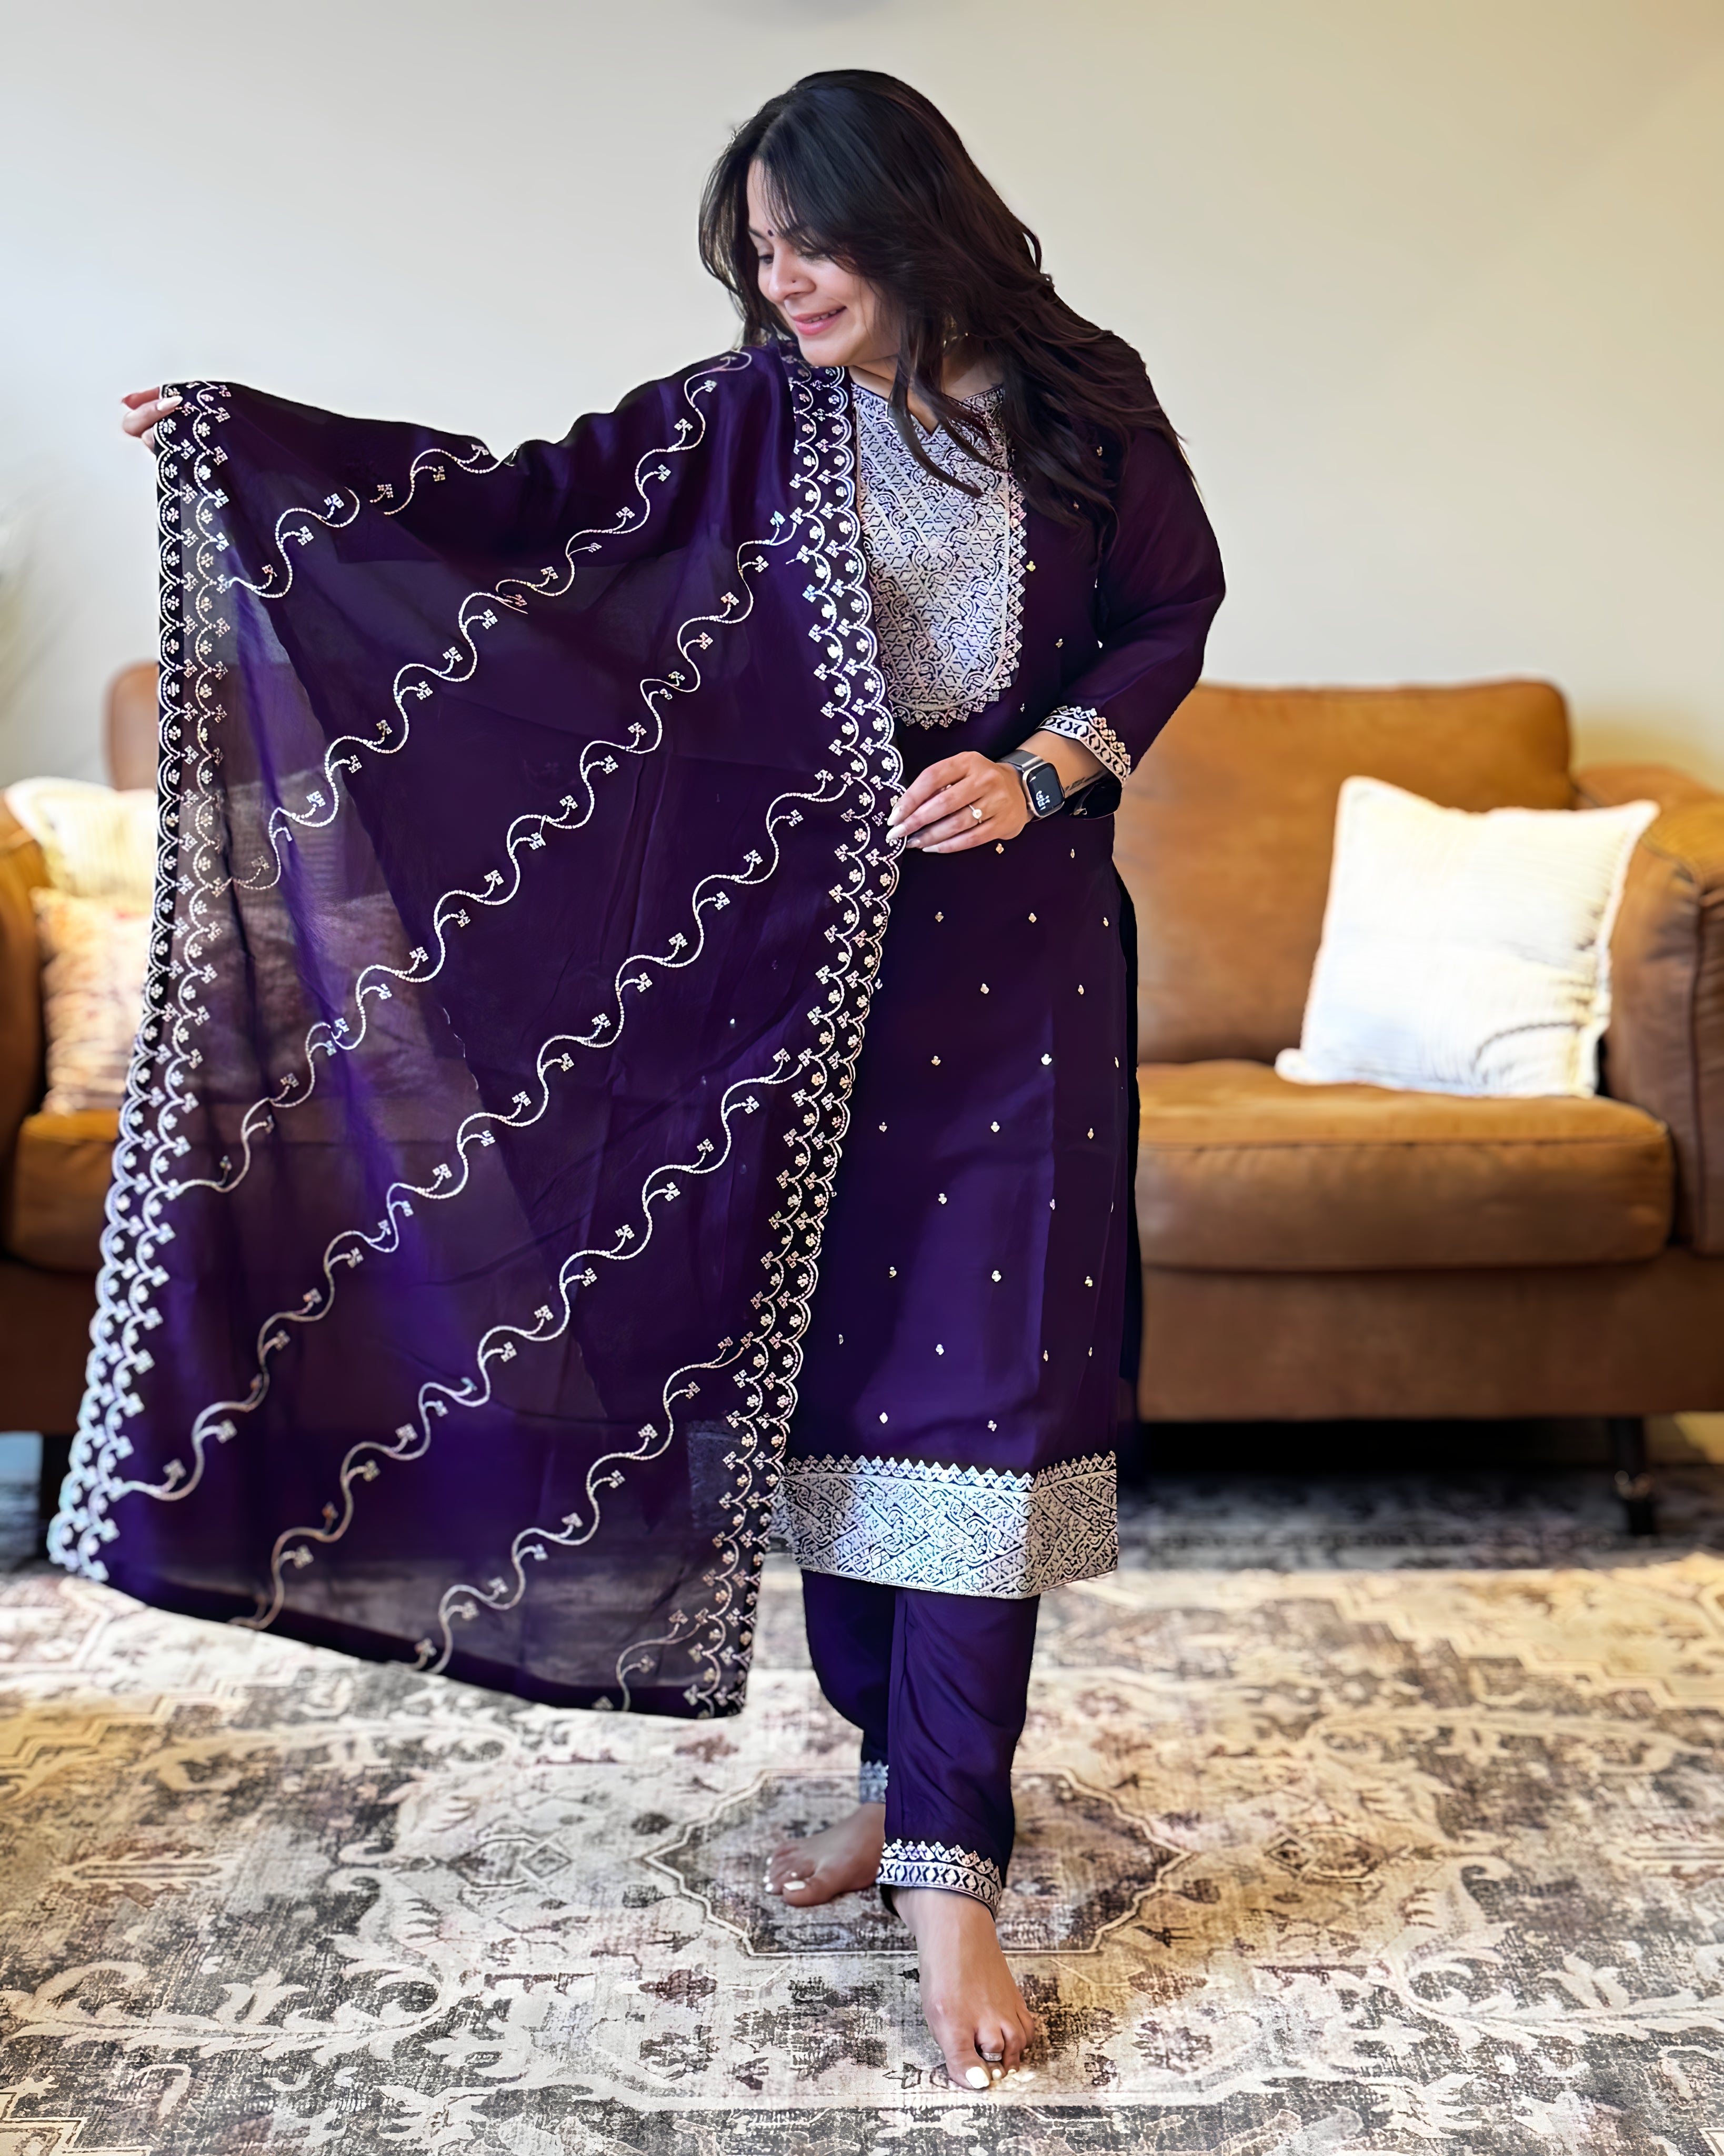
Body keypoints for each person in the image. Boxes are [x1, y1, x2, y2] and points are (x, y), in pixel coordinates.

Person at [105, 71, 1222, 2092]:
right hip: (798, 986)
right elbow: (507, 507)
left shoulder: (1083, 399)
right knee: (837, 1398)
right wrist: (251, 445)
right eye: (757, 253)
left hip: (1025, 969)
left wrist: (1054, 759)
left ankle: (954, 1876)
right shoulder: (740, 427)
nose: (783, 282)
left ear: (917, 221)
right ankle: (900, 1781)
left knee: (987, 1402)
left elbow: (1168, 612)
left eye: (813, 242)